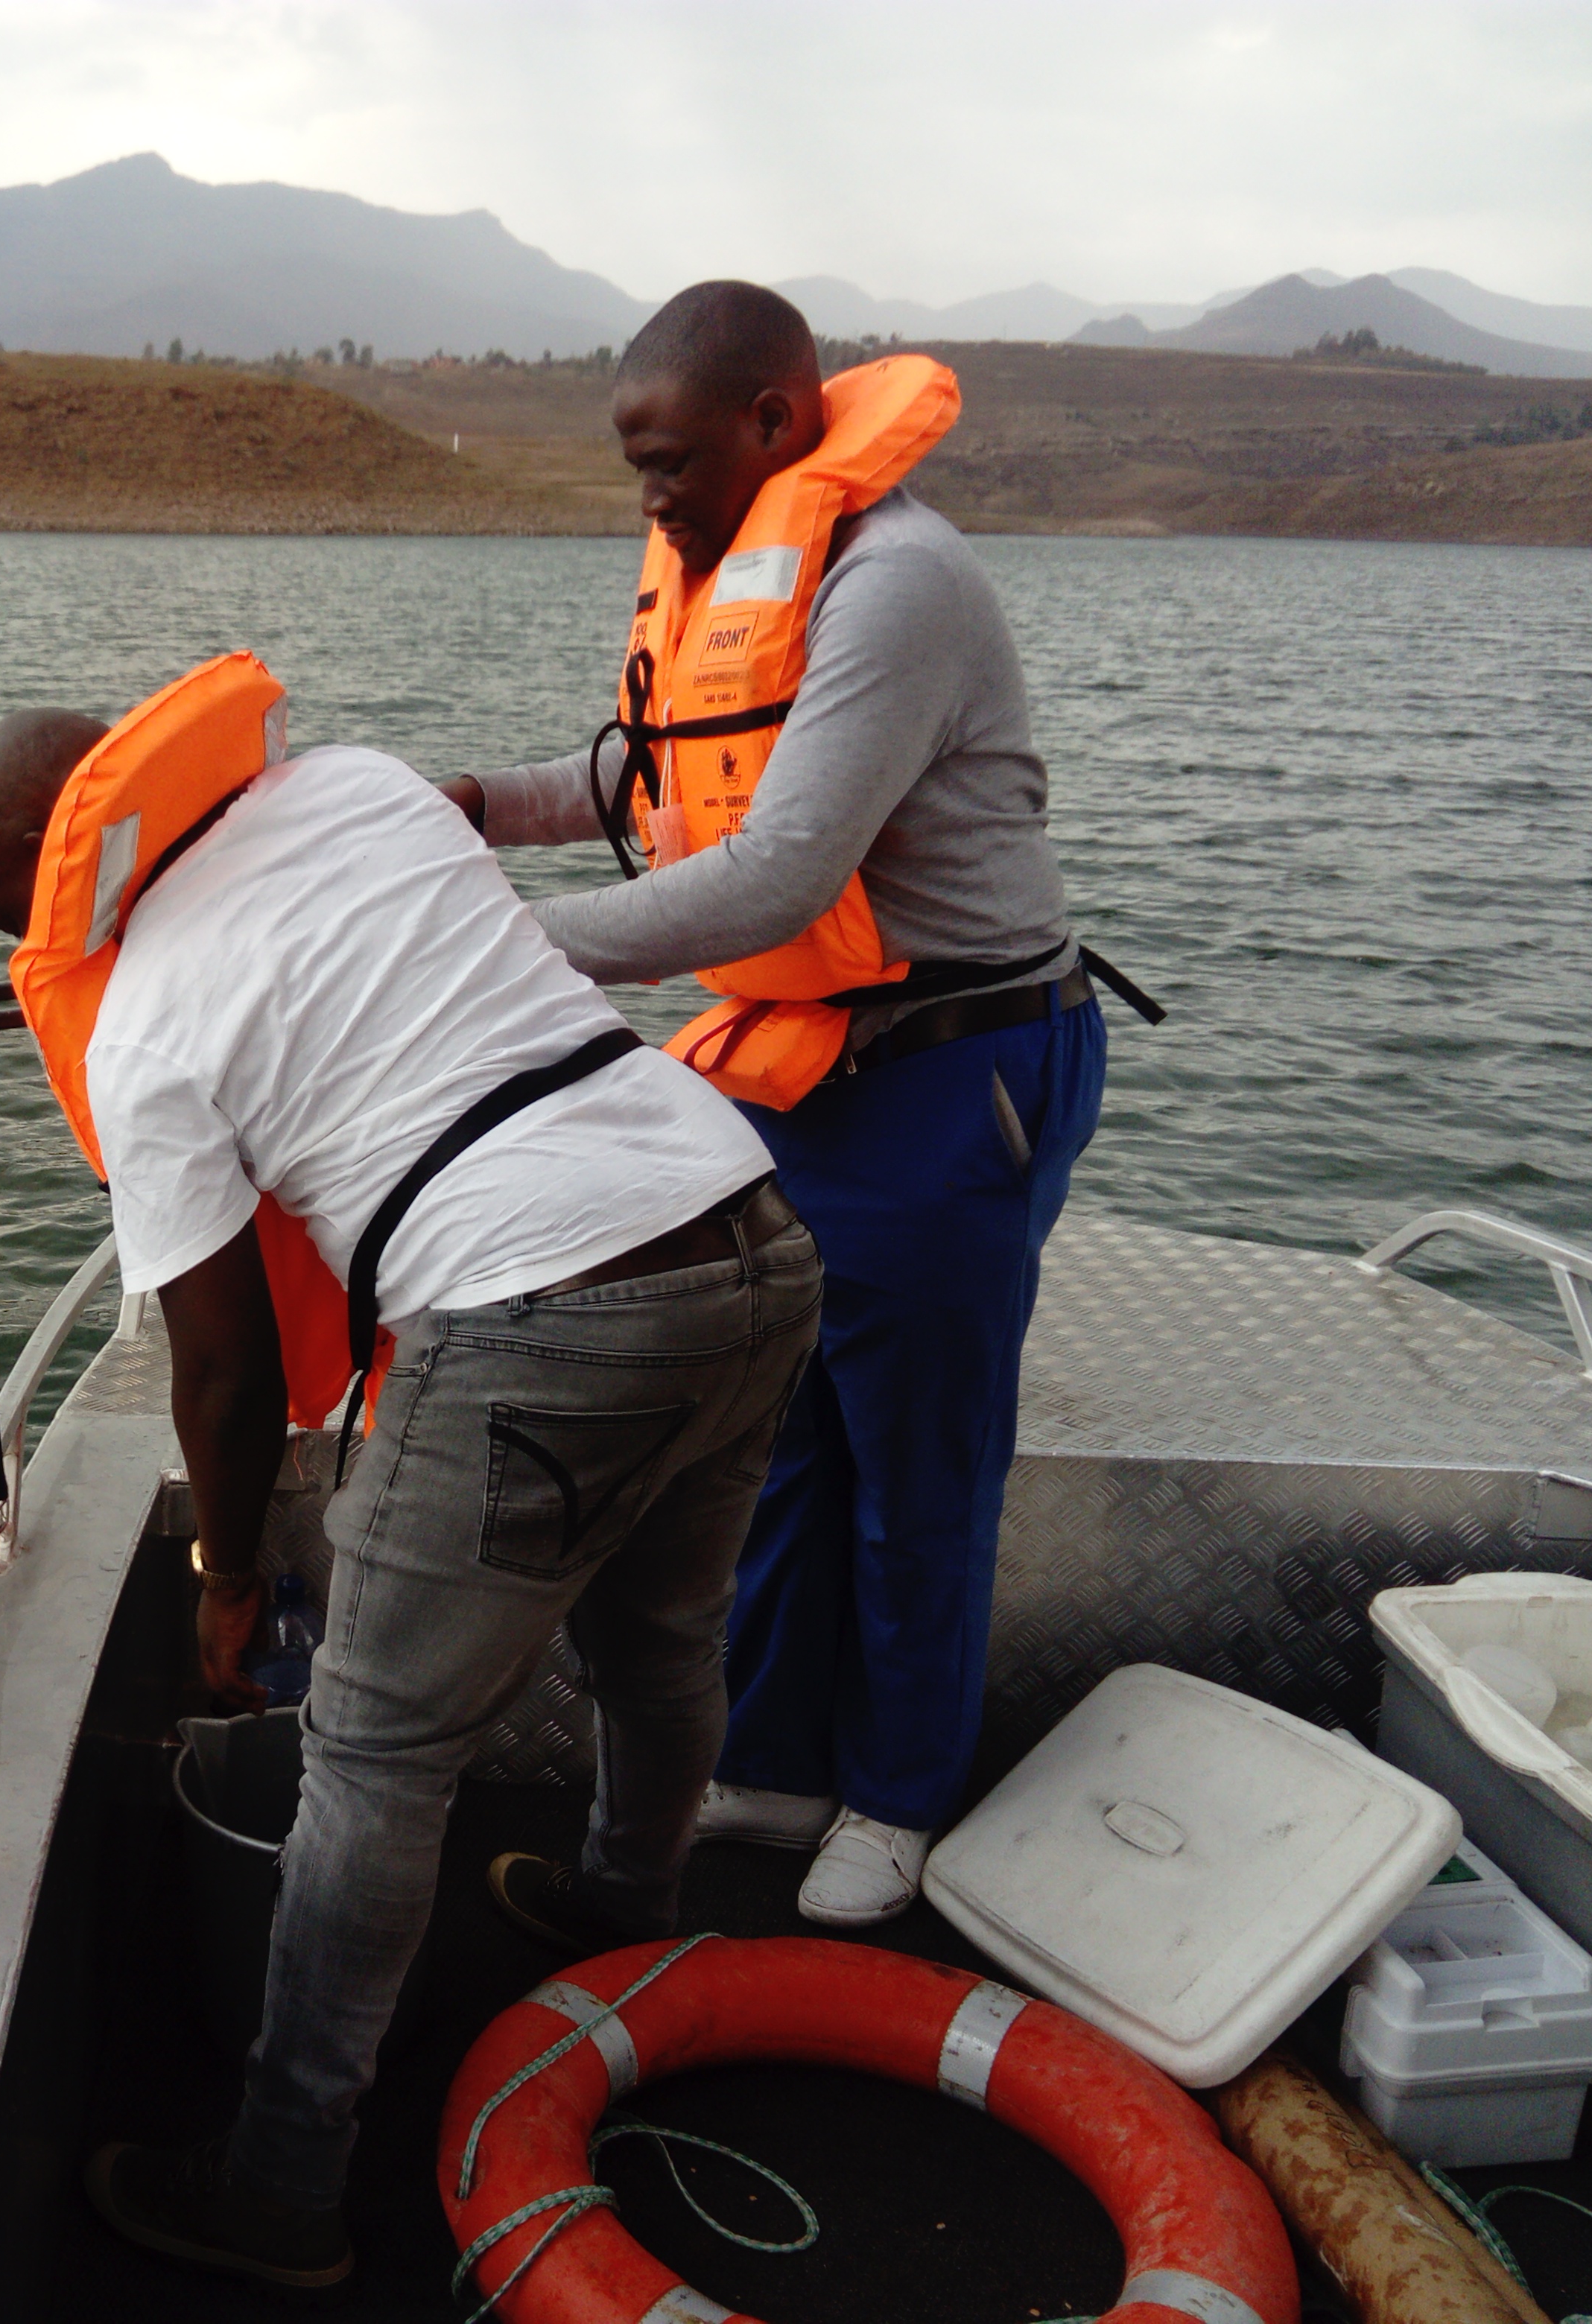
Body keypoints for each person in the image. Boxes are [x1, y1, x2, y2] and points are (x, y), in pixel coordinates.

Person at [0, 654, 821, 2290]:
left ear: (58, 898)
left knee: (370, 1758)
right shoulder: (355, 783)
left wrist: (225, 1581)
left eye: (28, 924)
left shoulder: (137, 1020)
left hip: (543, 1311)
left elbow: (225, 1370)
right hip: (748, 1227)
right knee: (658, 1634)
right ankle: (626, 1903)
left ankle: (280, 2190)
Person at [440, 280, 1114, 1929]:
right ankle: (780, 1760)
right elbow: (647, 776)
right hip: (798, 1069)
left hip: (950, 1076)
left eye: (669, 460)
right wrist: (464, 811)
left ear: (776, 423)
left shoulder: (899, 589)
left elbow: (769, 876)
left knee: (919, 1467)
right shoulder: (724, 572)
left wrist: (490, 943)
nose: (649, 496)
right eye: (632, 464)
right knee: (783, 1442)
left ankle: (900, 1802)